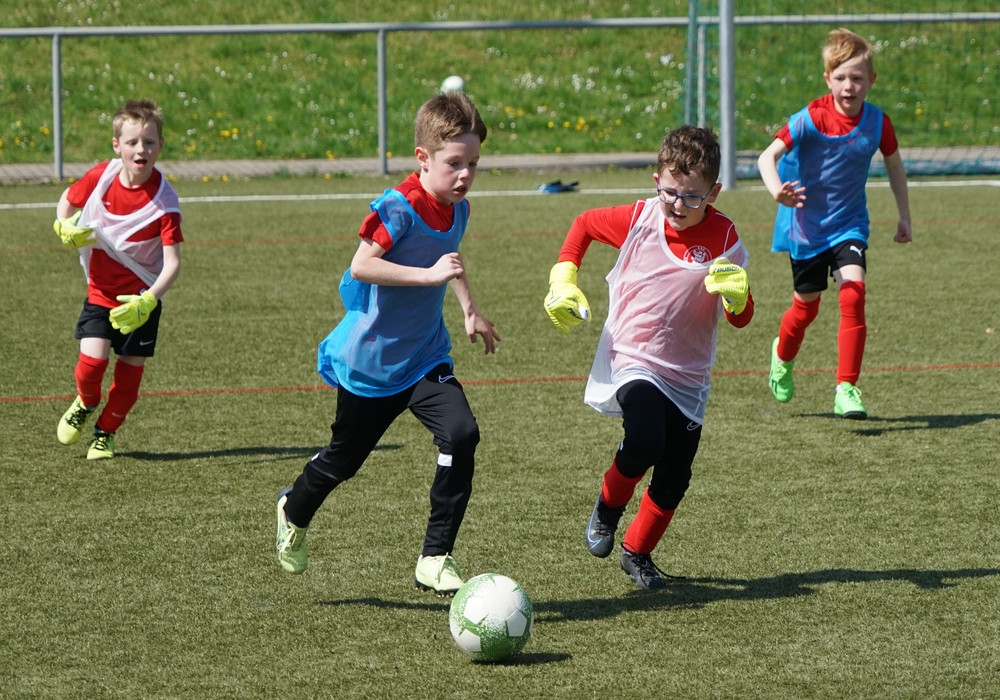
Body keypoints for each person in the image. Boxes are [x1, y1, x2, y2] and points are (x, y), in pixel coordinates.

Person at [274, 91, 500, 596]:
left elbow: (449, 258)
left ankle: (435, 557)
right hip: (372, 364)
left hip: (425, 358)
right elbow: (362, 266)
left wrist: (469, 309)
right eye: (454, 163)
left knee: (461, 433)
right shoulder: (399, 207)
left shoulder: (457, 208)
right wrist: (428, 276)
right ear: (423, 158)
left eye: (473, 164)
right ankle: (294, 508)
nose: (465, 175)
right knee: (343, 461)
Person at [543, 125, 754, 590]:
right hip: (632, 355)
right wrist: (563, 278)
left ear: (713, 193)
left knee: (675, 475)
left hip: (689, 374)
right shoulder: (639, 218)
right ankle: (607, 507)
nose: (677, 205)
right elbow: (583, 224)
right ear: (657, 180)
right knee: (644, 441)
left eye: (691, 197)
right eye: (669, 192)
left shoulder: (725, 237)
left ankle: (637, 553)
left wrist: (739, 298)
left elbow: (740, 318)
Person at [758, 28, 912, 420]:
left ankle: (846, 388)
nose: (849, 86)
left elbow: (895, 166)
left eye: (857, 78)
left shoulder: (878, 122)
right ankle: (782, 356)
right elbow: (766, 158)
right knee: (805, 309)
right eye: (840, 77)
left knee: (853, 294)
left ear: (871, 80)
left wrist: (904, 216)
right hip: (807, 229)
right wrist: (777, 191)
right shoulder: (810, 118)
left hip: (849, 226)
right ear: (827, 79)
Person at [53, 99, 183, 460]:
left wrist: (148, 300)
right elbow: (68, 200)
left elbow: (173, 263)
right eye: (132, 142)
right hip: (100, 292)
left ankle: (105, 434)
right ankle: (86, 402)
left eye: (149, 142)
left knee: (128, 379)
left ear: (160, 145)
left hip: (139, 301)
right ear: (117, 145)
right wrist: (63, 225)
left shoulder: (165, 202)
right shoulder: (102, 176)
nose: (141, 150)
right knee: (91, 365)